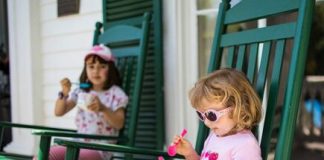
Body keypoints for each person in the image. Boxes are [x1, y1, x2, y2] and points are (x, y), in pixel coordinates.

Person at [49, 44, 128, 160]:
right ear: (85, 69)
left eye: (102, 66)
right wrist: (64, 93)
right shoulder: (81, 91)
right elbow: (59, 112)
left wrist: (103, 109)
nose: (96, 71)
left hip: (100, 149)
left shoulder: (116, 94)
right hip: (77, 143)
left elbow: (119, 124)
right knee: (48, 153)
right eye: (91, 66)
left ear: (110, 69)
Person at [172, 68, 262, 160]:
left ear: (239, 109)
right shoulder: (214, 136)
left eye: (211, 115)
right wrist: (189, 153)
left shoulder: (245, 145)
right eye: (201, 114)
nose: (206, 122)